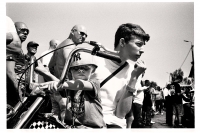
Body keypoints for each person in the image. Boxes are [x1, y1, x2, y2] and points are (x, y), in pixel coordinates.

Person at [91, 23, 150, 128]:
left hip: (112, 124)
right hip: (89, 122)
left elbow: (121, 113)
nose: (142, 50)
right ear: (122, 42)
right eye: (138, 44)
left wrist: (134, 78)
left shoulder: (134, 71)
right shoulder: (94, 61)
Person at [32, 52, 106, 128]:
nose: (80, 70)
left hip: (93, 128)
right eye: (76, 68)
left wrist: (58, 83)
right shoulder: (69, 87)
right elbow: (63, 84)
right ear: (70, 71)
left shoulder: (94, 83)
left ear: (93, 70)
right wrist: (45, 76)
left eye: (85, 68)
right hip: (73, 127)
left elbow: (79, 84)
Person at [36, 25, 87, 121]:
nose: (84, 37)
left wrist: (55, 82)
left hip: (56, 90)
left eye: (86, 35)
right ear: (72, 31)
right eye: (82, 33)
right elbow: (74, 69)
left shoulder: (60, 45)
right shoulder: (70, 47)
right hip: (66, 92)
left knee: (56, 121)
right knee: (67, 123)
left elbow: (51, 66)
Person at [6, 18, 28, 107]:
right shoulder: (10, 45)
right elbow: (9, 71)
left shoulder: (20, 50)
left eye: (27, 31)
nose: (25, 33)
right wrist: (18, 93)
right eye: (22, 30)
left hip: (21, 87)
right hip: (12, 89)